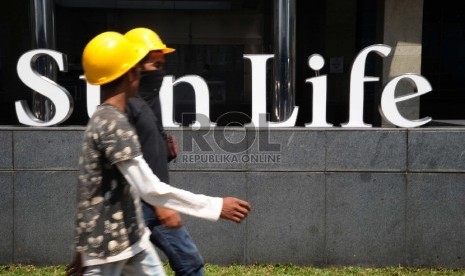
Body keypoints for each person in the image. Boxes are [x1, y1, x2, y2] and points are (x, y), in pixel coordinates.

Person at [67, 31, 251, 276]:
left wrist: (82, 247)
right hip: (107, 249)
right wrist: (216, 206)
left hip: (132, 239)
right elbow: (148, 188)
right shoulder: (113, 123)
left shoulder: (107, 118)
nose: (153, 73)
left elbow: (88, 190)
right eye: (143, 67)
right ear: (131, 73)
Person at [124, 27, 205, 276]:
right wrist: (160, 206)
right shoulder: (125, 107)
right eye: (153, 64)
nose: (159, 71)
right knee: (189, 264)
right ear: (133, 66)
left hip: (152, 198)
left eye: (162, 64)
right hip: (144, 202)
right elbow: (130, 159)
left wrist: (162, 144)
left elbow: (147, 135)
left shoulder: (147, 98)